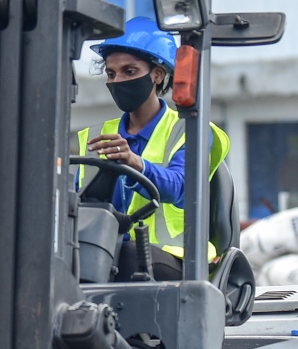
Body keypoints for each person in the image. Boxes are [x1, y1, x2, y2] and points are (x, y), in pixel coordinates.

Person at [77, 16, 230, 279]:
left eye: (130, 71)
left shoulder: (189, 130)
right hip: (108, 254)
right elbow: (83, 205)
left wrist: (135, 163)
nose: (117, 81)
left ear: (158, 74)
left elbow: (182, 188)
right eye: (111, 74)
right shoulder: (95, 136)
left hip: (179, 259)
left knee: (126, 256)